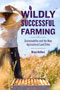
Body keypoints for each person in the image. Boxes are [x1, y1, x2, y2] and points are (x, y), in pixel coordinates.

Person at [0, 5, 26, 78]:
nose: (7, 16)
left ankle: (19, 88)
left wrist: (16, 9)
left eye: (9, 14)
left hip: (13, 49)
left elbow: (25, 16)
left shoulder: (16, 25)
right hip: (1, 50)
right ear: (4, 16)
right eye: (5, 14)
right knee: (1, 73)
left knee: (17, 73)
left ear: (12, 15)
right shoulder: (0, 26)